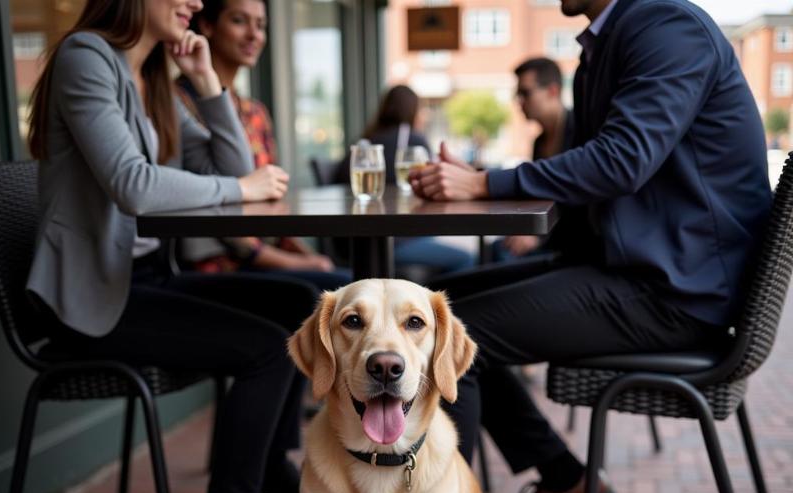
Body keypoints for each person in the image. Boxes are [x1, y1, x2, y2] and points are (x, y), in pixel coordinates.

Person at [412, 0, 772, 493]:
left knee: (448, 337)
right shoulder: (611, 41)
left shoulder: (667, 28)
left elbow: (623, 159)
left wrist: (487, 184)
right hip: (642, 271)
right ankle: (564, 480)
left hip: (677, 293)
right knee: (436, 309)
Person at [26, 0, 319, 493]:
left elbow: (235, 171)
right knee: (269, 348)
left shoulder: (155, 76)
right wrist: (239, 188)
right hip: (92, 302)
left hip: (151, 280)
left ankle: (265, 465)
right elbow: (134, 185)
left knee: (302, 305)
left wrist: (210, 86)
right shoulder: (87, 58)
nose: (195, 3)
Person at [177, 0, 350, 291]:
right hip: (217, 267)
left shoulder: (255, 112)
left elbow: (273, 205)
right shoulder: (179, 105)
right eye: (239, 21)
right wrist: (295, 263)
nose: (254, 35)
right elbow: (213, 216)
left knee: (351, 284)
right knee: (343, 292)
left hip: (265, 258)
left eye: (260, 25)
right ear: (206, 26)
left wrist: (308, 257)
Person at [336, 85, 475, 277]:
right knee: (466, 258)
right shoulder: (414, 141)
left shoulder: (365, 141)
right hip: (394, 241)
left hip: (353, 245)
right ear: (413, 111)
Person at [491, 56, 573, 263]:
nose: (519, 101)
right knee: (495, 249)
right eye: (517, 94)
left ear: (552, 91)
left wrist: (538, 238)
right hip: (547, 234)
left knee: (502, 254)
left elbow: (578, 200)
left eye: (525, 93)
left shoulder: (578, 130)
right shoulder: (539, 141)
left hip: (572, 241)